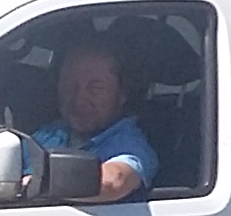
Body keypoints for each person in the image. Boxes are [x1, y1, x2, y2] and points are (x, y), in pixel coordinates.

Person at [32, 42, 156, 203]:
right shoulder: (51, 133)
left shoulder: (128, 143)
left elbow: (114, 181)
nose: (79, 100)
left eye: (95, 88)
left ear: (122, 94)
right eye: (70, 86)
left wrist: (35, 184)